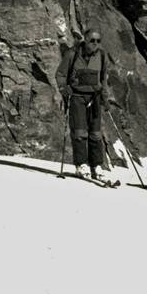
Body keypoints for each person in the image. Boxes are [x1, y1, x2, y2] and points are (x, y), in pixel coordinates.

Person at [56, 29, 111, 181]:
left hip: (95, 97)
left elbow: (103, 79)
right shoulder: (72, 54)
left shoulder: (102, 56)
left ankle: (96, 166)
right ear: (85, 40)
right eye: (92, 40)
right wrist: (63, 88)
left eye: (98, 41)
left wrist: (105, 98)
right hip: (77, 96)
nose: (95, 44)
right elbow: (61, 74)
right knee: (79, 132)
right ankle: (81, 165)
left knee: (96, 133)